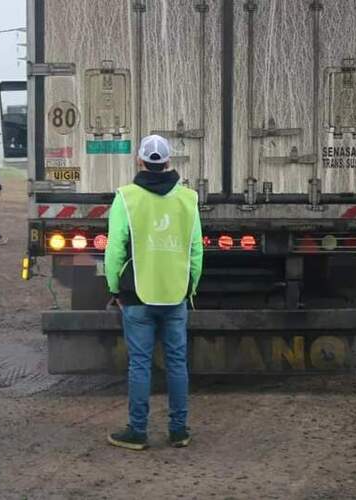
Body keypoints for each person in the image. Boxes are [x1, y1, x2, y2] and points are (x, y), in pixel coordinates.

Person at [104, 134, 203, 451]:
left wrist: (113, 287)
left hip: (136, 294)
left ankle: (137, 431)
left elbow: (115, 248)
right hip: (175, 293)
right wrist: (191, 288)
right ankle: (178, 431)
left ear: (140, 160)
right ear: (169, 162)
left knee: (140, 364)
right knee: (177, 362)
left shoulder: (126, 197)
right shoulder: (188, 199)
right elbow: (196, 251)